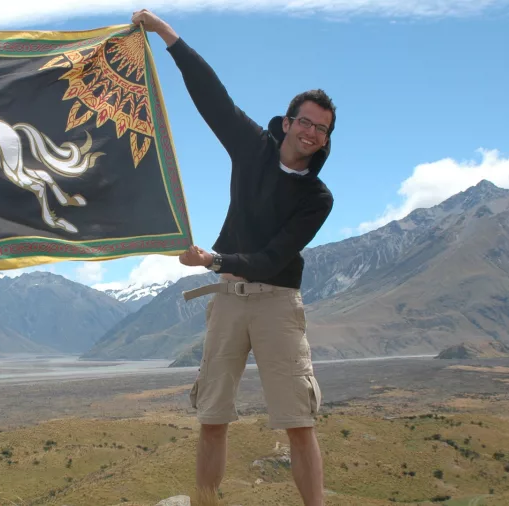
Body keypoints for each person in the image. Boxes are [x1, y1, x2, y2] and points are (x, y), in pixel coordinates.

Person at [131, 9, 335, 506]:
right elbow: (211, 97)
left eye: (322, 129)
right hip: (228, 301)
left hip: (277, 304)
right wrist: (165, 35)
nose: (310, 133)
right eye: (305, 122)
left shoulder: (318, 198)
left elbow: (271, 258)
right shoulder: (252, 147)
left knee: (299, 423)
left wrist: (213, 260)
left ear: (326, 138)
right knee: (213, 417)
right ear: (288, 122)